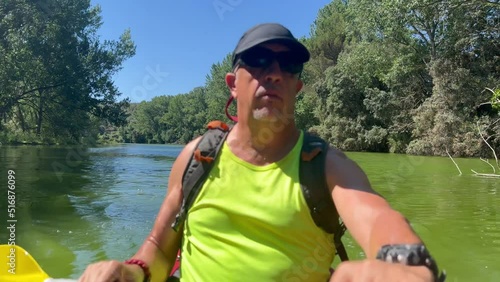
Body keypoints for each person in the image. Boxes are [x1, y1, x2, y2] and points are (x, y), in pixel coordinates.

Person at [78, 23, 445, 282]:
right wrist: (129, 271)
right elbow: (158, 249)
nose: (273, 73)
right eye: (258, 61)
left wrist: (406, 265)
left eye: (288, 66)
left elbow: (377, 216)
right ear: (232, 84)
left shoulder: (325, 166)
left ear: (297, 86)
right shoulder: (197, 158)